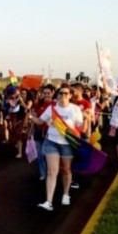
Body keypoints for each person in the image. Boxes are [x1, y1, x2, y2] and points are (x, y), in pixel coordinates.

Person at [30, 83, 85, 211]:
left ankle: (66, 193)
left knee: (65, 169)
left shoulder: (75, 109)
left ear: (70, 95)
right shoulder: (52, 109)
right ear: (57, 95)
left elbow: (81, 129)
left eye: (66, 93)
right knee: (51, 171)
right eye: (60, 93)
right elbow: (40, 121)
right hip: (51, 142)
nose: (63, 95)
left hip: (67, 144)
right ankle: (48, 201)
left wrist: (87, 119)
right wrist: (31, 117)